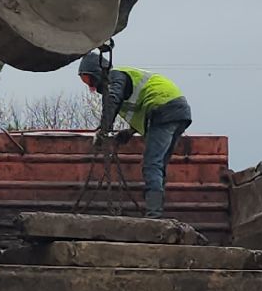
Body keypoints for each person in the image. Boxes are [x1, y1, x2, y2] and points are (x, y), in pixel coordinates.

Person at [77, 51, 192, 218]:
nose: (89, 85)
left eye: (88, 79)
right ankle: (156, 210)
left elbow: (114, 100)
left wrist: (102, 130)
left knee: (151, 164)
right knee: (158, 166)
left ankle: (154, 215)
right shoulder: (122, 81)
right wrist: (130, 131)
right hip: (177, 111)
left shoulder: (115, 77)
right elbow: (138, 107)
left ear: (98, 72)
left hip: (164, 109)